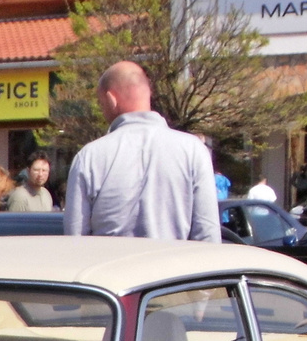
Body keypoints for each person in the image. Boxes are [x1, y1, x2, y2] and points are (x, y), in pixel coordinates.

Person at [62, 61, 220, 242]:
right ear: (148, 94)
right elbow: (208, 234)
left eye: (101, 103)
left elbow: (75, 239)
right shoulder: (194, 151)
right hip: (178, 268)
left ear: (111, 99)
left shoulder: (89, 157)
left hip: (110, 267)